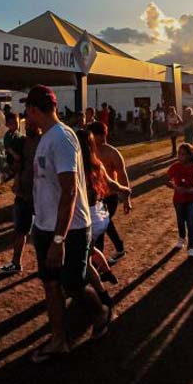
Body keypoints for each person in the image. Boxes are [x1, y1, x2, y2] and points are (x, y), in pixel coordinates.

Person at [24, 85, 111, 362]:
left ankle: (101, 313)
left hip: (70, 230)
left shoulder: (61, 138)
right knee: (50, 284)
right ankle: (59, 341)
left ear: (34, 110)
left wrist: (58, 240)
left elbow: (70, 191)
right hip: (46, 227)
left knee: (72, 285)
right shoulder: (46, 138)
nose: (26, 116)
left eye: (27, 110)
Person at [76, 129, 131, 303]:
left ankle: (101, 294)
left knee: (82, 257)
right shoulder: (96, 164)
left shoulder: (75, 166)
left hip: (85, 218)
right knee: (90, 250)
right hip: (99, 216)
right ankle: (106, 272)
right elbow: (111, 183)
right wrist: (124, 190)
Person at [0, 122, 41, 274]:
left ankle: (48, 265)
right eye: (28, 124)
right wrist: (16, 179)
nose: (29, 126)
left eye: (32, 124)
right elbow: (18, 165)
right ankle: (16, 263)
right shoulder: (23, 142)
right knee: (20, 230)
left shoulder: (44, 142)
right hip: (23, 194)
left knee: (44, 232)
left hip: (40, 195)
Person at [87, 121, 132, 263]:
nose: (102, 138)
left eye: (103, 135)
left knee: (101, 227)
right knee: (105, 224)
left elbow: (122, 176)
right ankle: (119, 248)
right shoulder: (88, 152)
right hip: (95, 197)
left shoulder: (113, 153)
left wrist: (126, 199)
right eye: (98, 135)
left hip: (110, 196)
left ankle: (96, 262)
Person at [166, 143, 193, 258]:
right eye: (179, 154)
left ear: (190, 155)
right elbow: (165, 180)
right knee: (180, 221)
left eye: (183, 154)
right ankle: (182, 238)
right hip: (178, 199)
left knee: (191, 222)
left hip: (192, 199)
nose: (180, 156)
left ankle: (191, 247)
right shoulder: (175, 167)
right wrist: (176, 187)